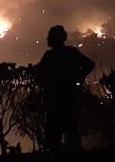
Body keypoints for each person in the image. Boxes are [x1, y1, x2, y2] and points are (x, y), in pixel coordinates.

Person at [35, 24, 95, 153]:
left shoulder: (50, 56)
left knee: (55, 133)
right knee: (71, 129)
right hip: (68, 96)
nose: (48, 39)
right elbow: (90, 64)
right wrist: (79, 76)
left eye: (50, 37)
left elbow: (38, 74)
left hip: (55, 98)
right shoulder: (71, 53)